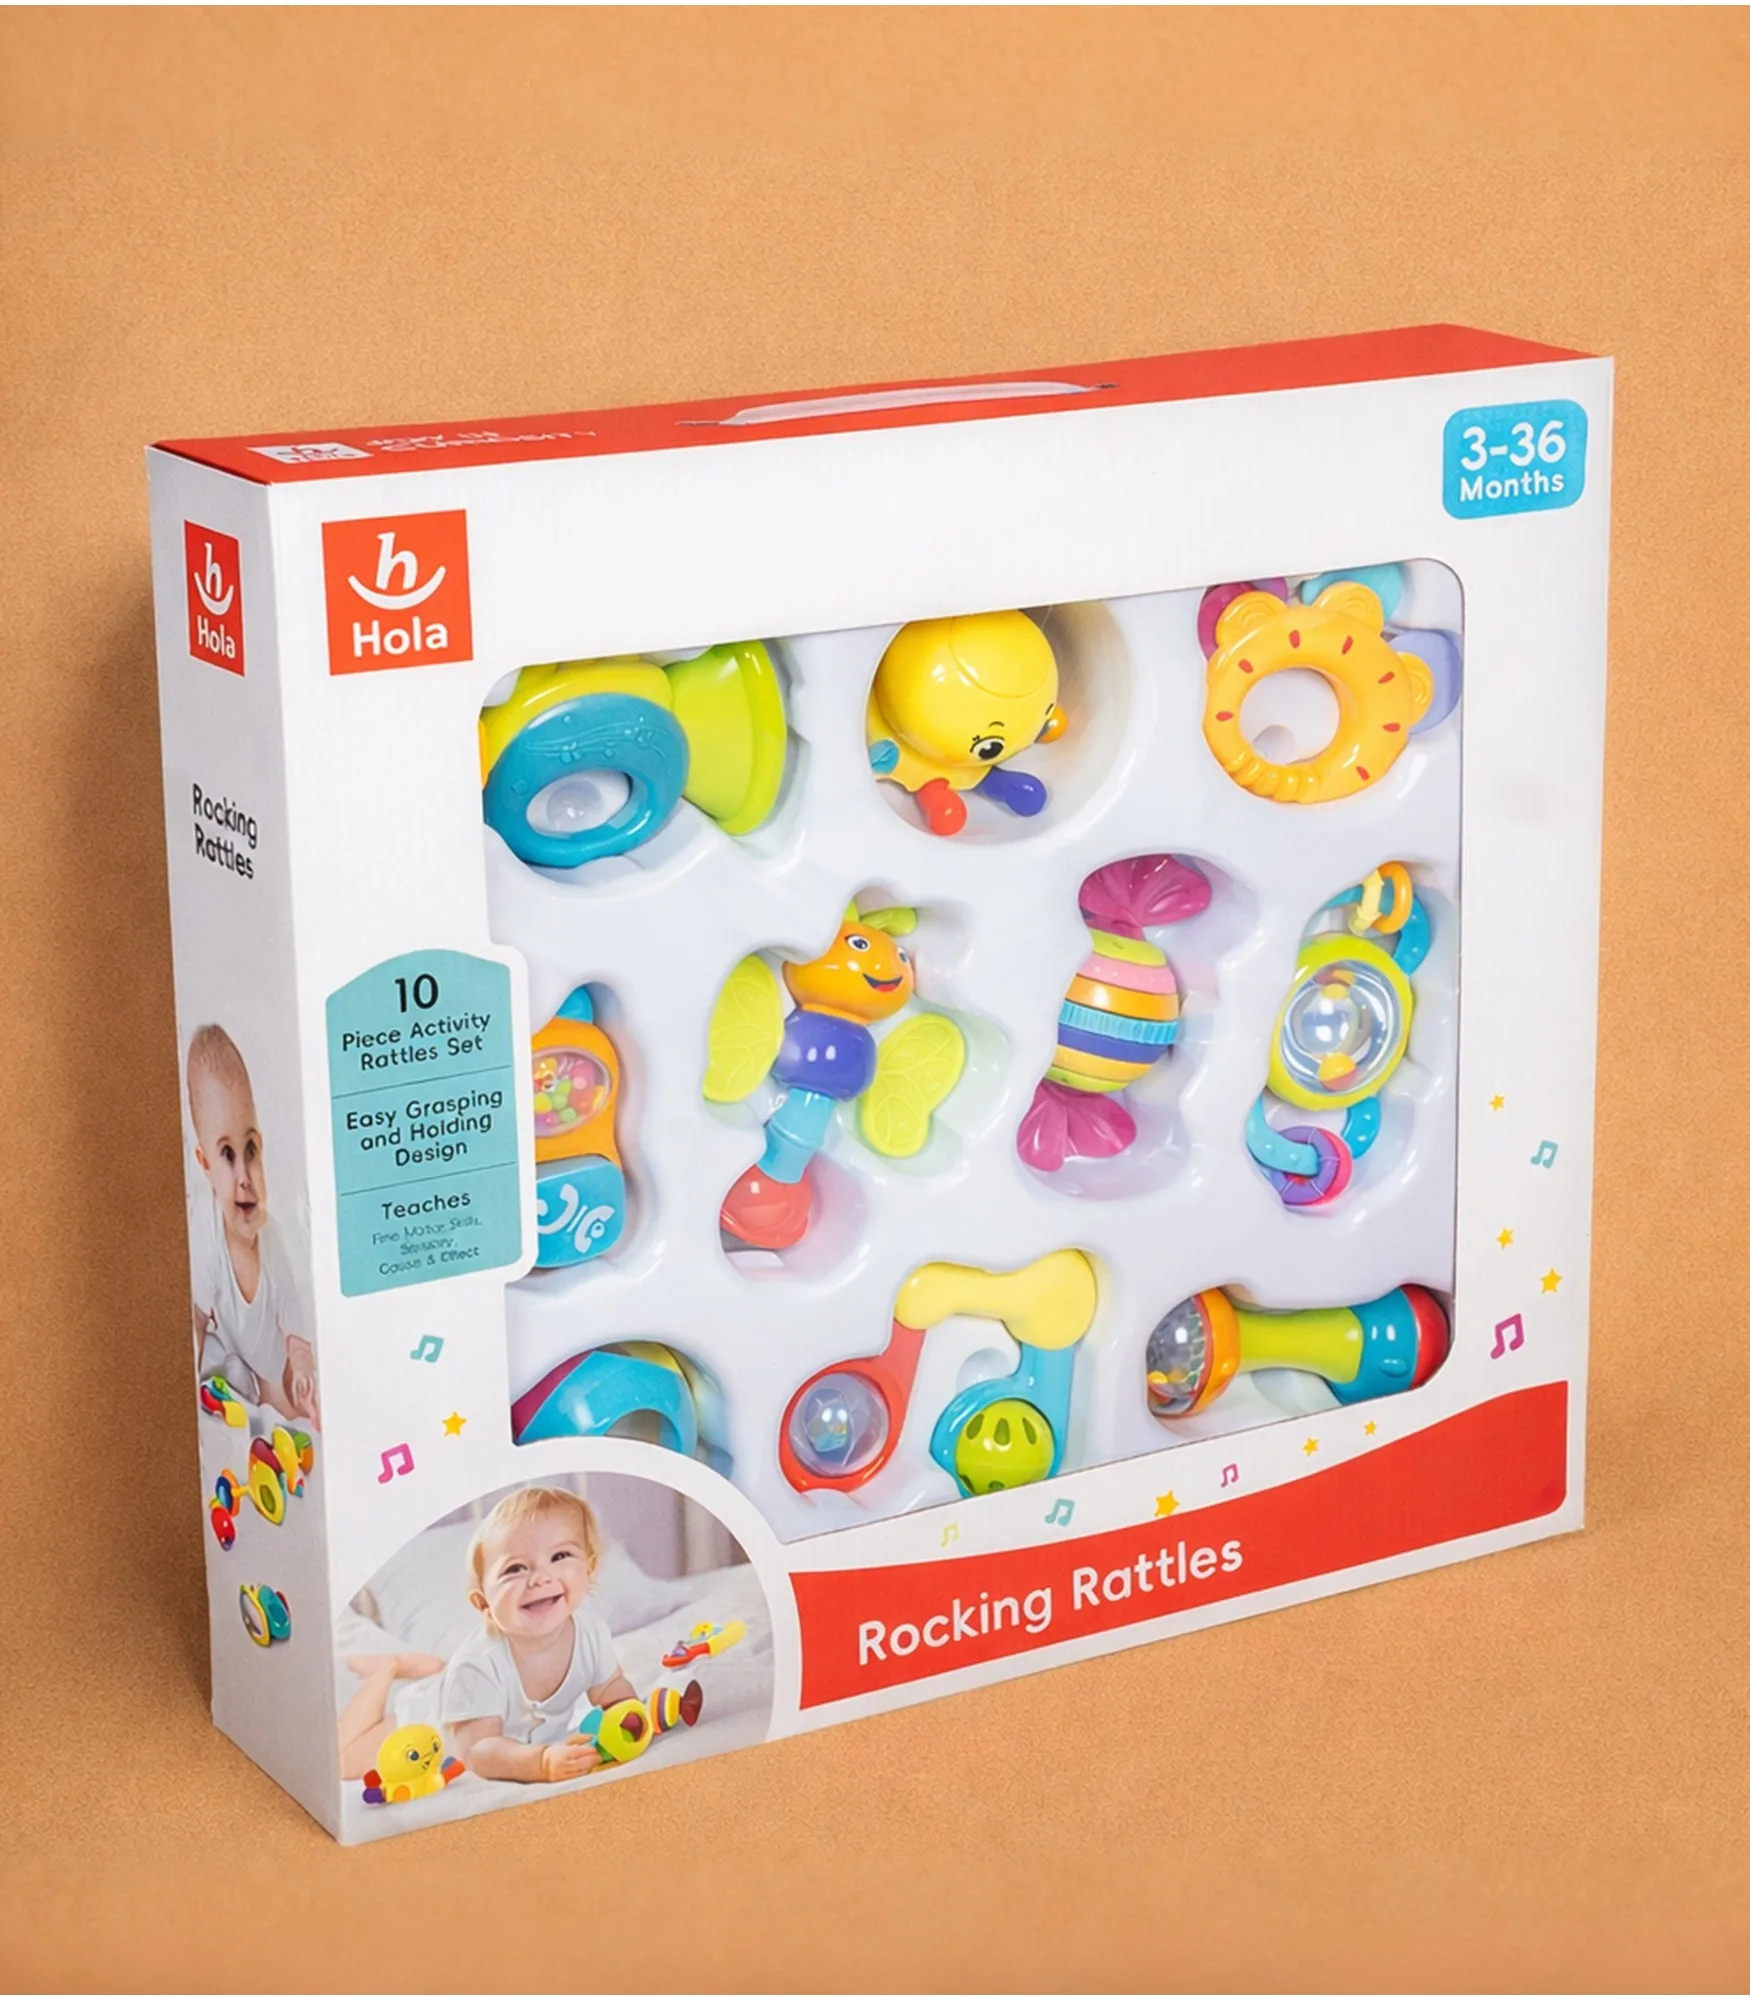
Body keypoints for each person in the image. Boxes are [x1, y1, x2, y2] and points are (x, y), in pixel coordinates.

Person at [186, 1024, 319, 1427]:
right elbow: (196, 1321)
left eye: (251, 1150)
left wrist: (301, 1370)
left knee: (296, 1400)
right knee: (215, 1357)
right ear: (205, 1163)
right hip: (236, 1359)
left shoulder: (273, 1241)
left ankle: (279, 1399)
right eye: (227, 1155)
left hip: (271, 1371)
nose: (245, 1176)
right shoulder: (208, 1234)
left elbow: (296, 1333)